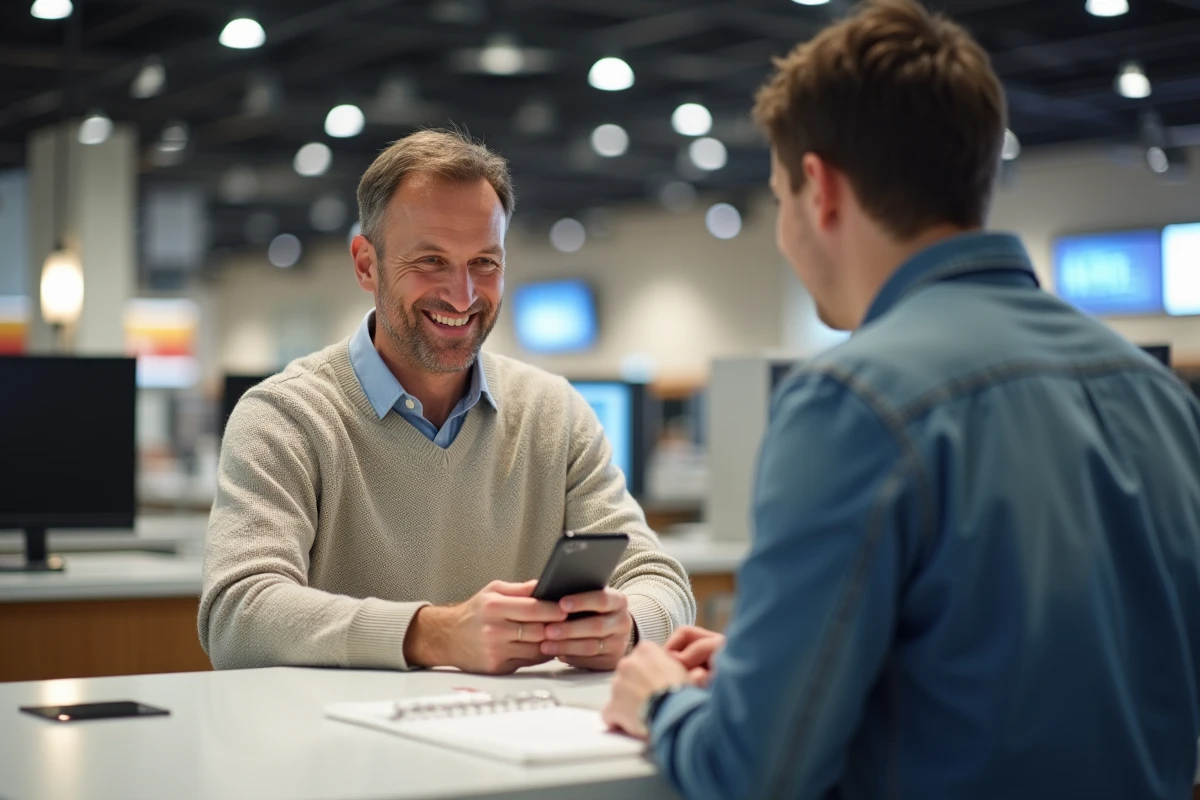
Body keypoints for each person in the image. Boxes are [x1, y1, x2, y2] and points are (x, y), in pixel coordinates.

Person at [603, 1, 1200, 797]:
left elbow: (758, 773)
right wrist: (767, 677)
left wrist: (666, 704)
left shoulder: (850, 402)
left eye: (779, 197)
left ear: (820, 190)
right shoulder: (1159, 395)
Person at [200, 130, 695, 675]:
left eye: (485, 262)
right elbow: (236, 613)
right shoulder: (284, 418)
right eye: (431, 261)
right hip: (339, 748)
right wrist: (433, 634)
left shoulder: (554, 413)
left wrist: (630, 625)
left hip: (517, 738)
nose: (462, 296)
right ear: (367, 264)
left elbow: (659, 578)